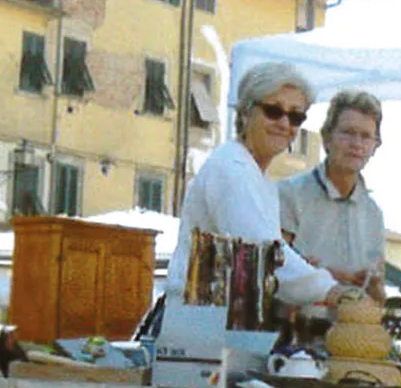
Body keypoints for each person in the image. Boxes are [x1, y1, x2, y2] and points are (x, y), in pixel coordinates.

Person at [165, 63, 344, 310]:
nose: (284, 123)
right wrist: (330, 289)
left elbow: (260, 261)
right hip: (198, 328)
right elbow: (260, 251)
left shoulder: (260, 179)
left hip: (224, 326)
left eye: (295, 116)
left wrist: (304, 273)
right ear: (246, 113)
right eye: (273, 111)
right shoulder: (231, 168)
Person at [278, 90, 387, 302]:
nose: (357, 143)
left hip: (353, 331)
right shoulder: (289, 195)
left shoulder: (374, 214)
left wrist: (373, 286)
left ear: (375, 147)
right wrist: (323, 277)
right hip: (296, 329)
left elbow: (378, 298)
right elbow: (272, 273)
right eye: (347, 132)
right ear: (327, 138)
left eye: (366, 136)